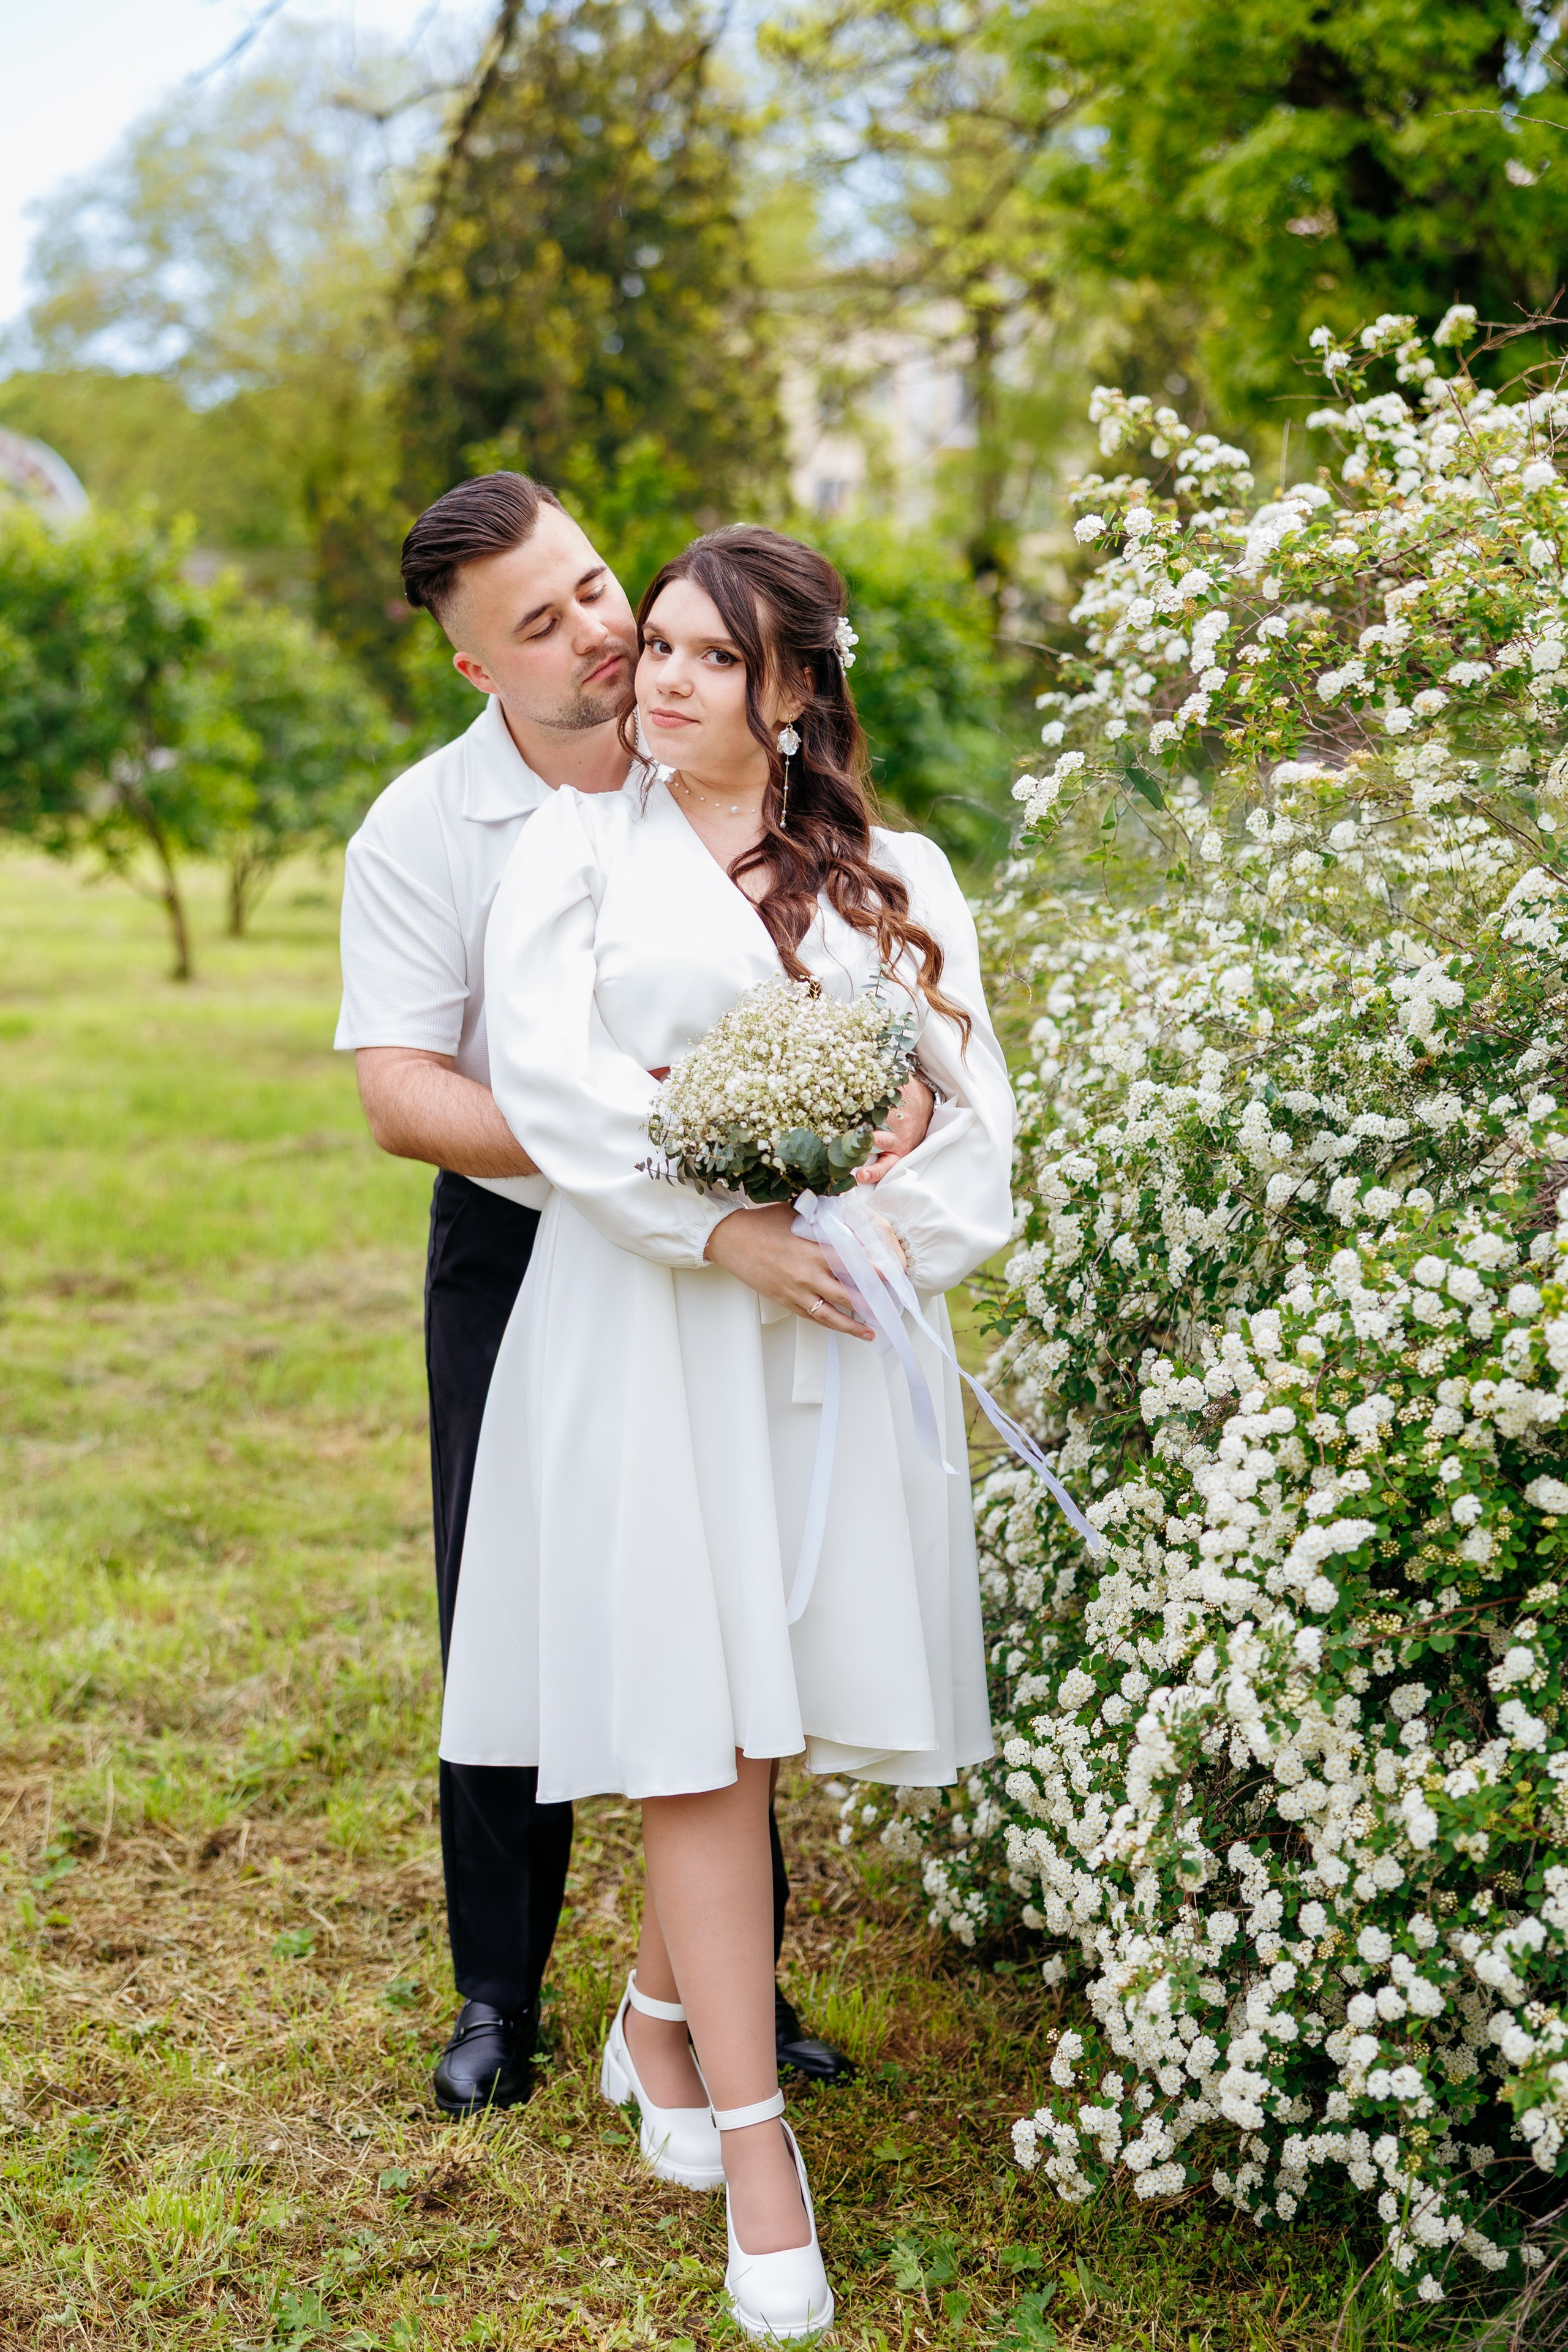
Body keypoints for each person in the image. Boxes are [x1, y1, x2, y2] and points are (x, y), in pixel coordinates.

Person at [440, 526, 1014, 2337]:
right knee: (700, 1735)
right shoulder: (572, 856)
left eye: (705, 657)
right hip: (645, 1324)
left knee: (756, 1696)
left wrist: (868, 1229)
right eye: (655, 646)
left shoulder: (896, 875)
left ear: (792, 688)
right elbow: (551, 1091)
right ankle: (759, 2154)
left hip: (828, 1341)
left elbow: (974, 1120)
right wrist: (725, 1226)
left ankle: (659, 2014)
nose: (659, 679)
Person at [334, 475, 927, 2119]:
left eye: (598, 587)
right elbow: (399, 1088)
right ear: (475, 671)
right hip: (521, 1244)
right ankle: (499, 1990)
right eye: (542, 623)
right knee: (511, 1594)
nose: (600, 635)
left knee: (741, 1588)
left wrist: (757, 1144)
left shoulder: (735, 770)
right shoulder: (427, 830)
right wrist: (641, 1135)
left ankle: (724, 1987)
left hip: (745, 1233)